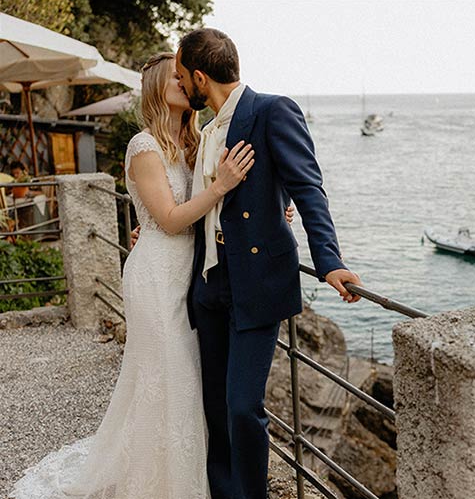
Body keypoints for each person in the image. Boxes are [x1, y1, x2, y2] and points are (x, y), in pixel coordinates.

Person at [9, 52, 290, 499]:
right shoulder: (143, 145)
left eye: (185, 77)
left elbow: (216, 210)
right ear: (158, 88)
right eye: (175, 78)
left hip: (193, 275)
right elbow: (173, 219)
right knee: (168, 376)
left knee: (188, 381)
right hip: (157, 275)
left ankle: (190, 475)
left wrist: (271, 209)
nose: (184, 82)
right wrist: (221, 186)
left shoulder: (196, 142)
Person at [175, 28, 362, 499]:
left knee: (242, 406)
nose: (181, 86)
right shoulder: (206, 129)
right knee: (215, 407)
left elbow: (308, 188)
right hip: (209, 282)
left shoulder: (272, 111)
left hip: (257, 282)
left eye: (182, 77)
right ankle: (223, 492)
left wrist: (330, 261)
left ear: (201, 77)